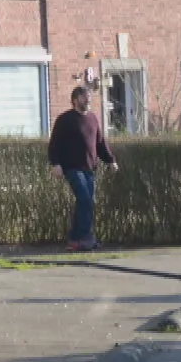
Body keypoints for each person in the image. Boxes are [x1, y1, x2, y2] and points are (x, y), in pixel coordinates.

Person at [47, 85, 117, 251]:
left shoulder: (92, 118)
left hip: (90, 168)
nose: (88, 99)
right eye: (84, 97)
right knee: (85, 199)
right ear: (75, 100)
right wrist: (55, 164)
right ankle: (85, 237)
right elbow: (54, 145)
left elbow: (100, 143)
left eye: (89, 97)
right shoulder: (65, 120)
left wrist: (110, 160)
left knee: (85, 203)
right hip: (72, 168)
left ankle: (75, 239)